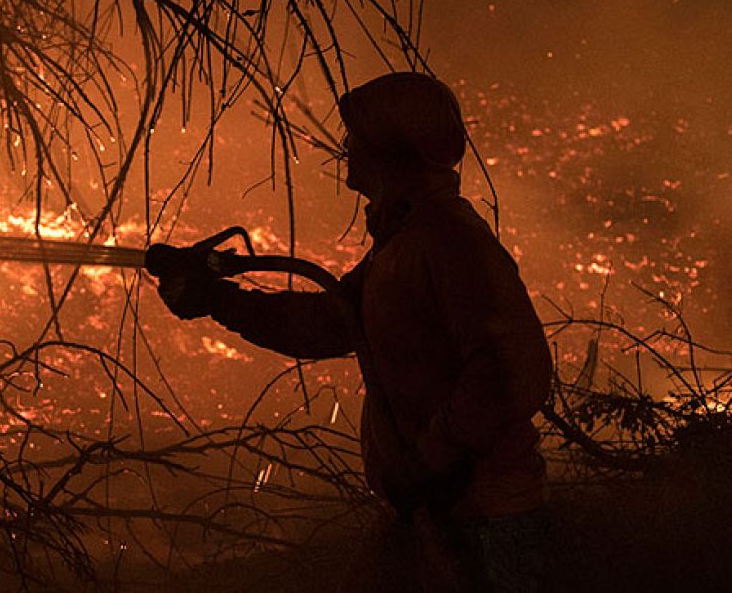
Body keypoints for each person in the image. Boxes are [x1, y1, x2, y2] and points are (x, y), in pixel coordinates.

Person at [157, 72, 553, 592]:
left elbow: (514, 369)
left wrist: (431, 460)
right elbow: (330, 322)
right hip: (439, 508)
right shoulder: (403, 243)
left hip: (487, 522)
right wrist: (219, 300)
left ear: (392, 152)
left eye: (357, 138)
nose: (346, 147)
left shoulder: (448, 241)